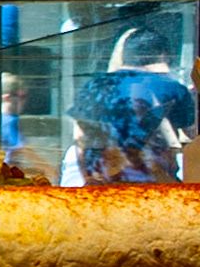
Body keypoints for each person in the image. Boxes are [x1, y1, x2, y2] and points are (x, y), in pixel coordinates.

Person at [67, 29, 194, 184]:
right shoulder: (173, 88)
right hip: (151, 181)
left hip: (102, 179)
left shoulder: (94, 85)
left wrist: (88, 178)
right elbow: (191, 135)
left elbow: (80, 137)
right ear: (163, 54)